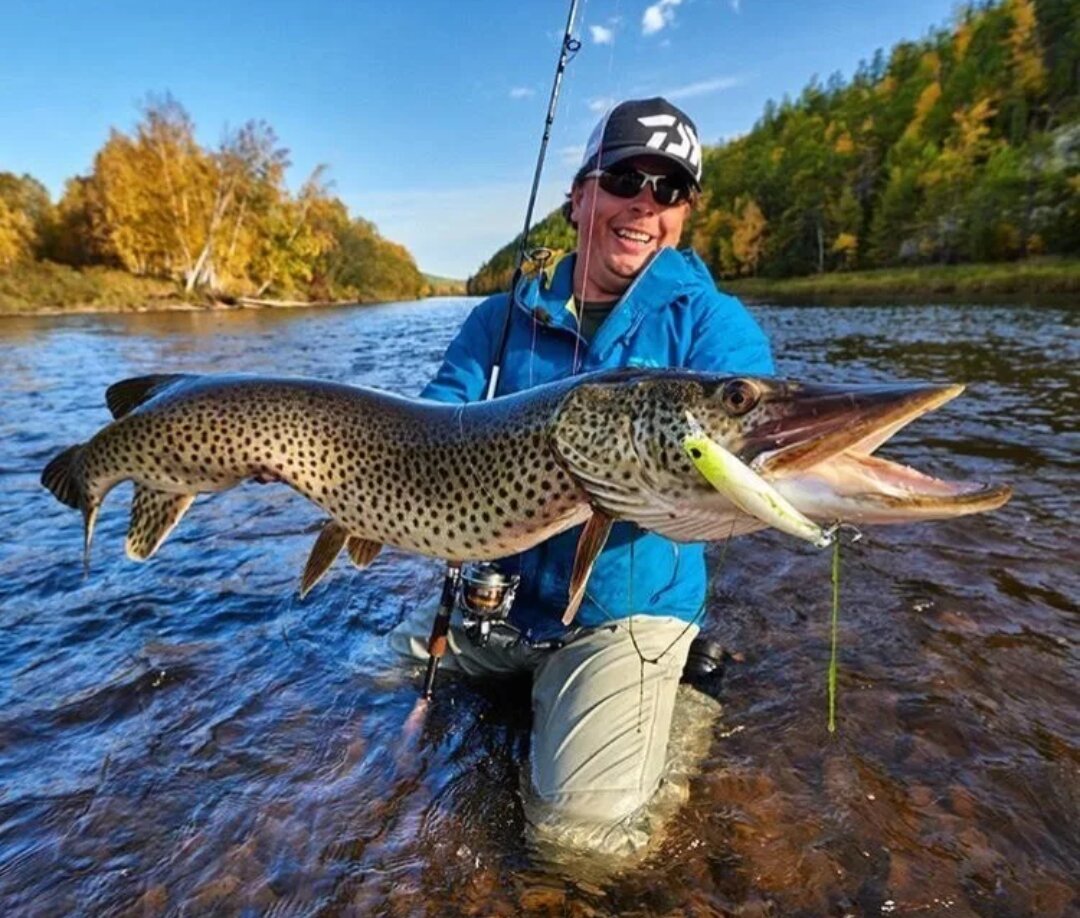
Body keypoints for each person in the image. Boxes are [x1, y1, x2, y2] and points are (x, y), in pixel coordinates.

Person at [391, 98, 774, 855]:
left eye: (669, 191)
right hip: (496, 608)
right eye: (625, 178)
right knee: (363, 676)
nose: (644, 204)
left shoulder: (711, 325)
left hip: (620, 617)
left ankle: (682, 703)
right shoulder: (497, 320)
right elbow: (424, 431)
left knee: (579, 847)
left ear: (684, 213)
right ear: (578, 196)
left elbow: (746, 458)